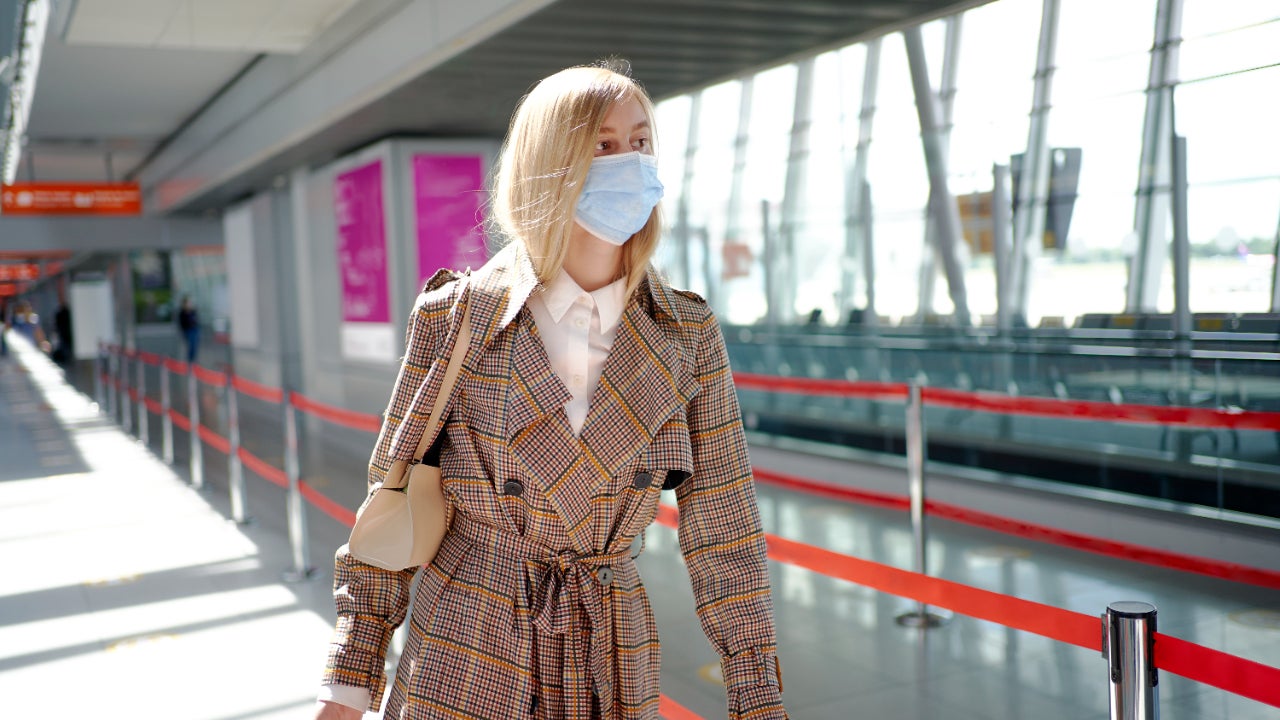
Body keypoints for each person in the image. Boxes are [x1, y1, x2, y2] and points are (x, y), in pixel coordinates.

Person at [314, 62, 786, 719]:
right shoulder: (459, 316)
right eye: (603, 144)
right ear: (549, 163)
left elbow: (725, 527)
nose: (630, 162)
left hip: (608, 654)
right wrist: (348, 680)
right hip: (466, 644)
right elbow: (390, 497)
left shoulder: (686, 333)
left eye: (641, 142)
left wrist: (757, 694)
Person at [177, 296, 199, 363]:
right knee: (190, 345)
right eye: (188, 303)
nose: (189, 304)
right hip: (187, 331)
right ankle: (190, 360)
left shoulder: (193, 311)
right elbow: (182, 323)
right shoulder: (182, 313)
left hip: (194, 329)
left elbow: (196, 320)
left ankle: (193, 360)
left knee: (194, 345)